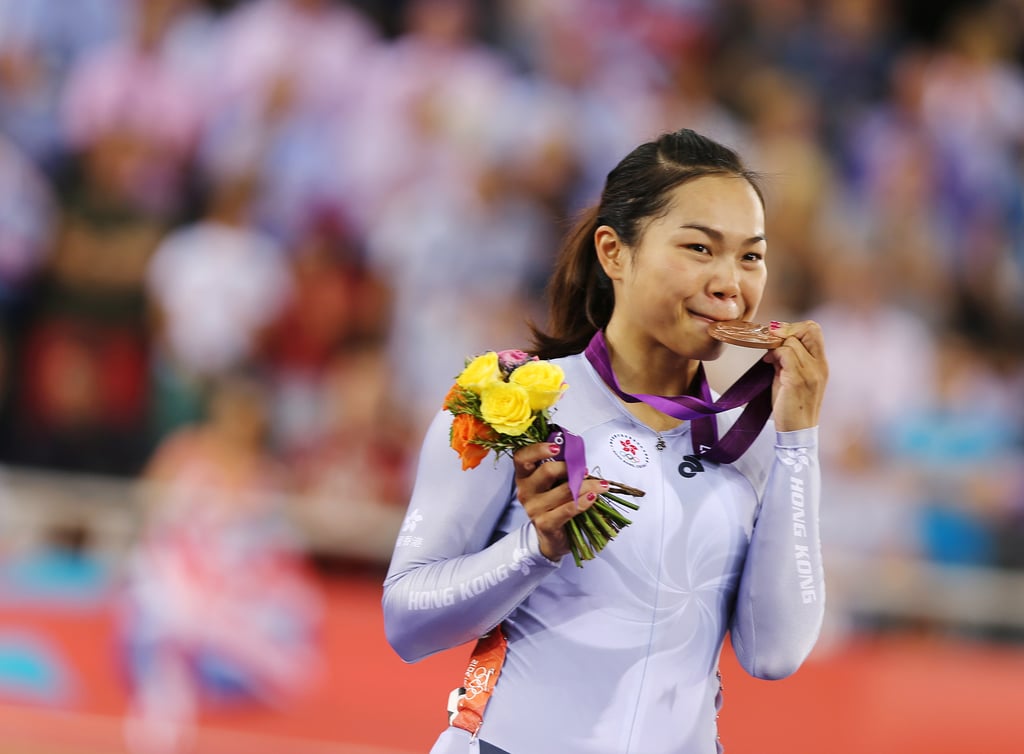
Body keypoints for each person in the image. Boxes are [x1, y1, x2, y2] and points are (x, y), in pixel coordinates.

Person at [382, 128, 828, 754]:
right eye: (701, 248)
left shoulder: (754, 439)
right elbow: (406, 621)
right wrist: (532, 551)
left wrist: (799, 439)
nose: (732, 283)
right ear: (614, 252)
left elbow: (776, 653)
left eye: (750, 256)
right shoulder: (511, 399)